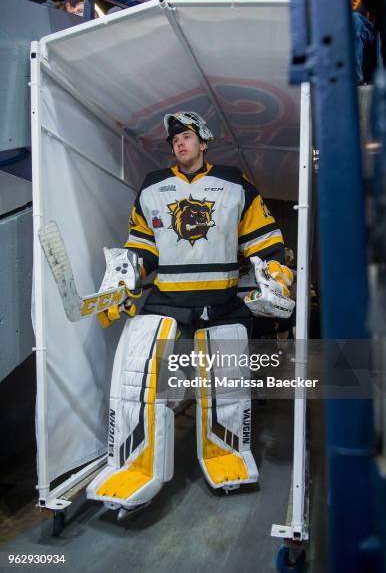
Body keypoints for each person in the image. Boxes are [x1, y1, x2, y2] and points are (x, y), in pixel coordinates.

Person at [86, 112, 294, 516]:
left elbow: (264, 242)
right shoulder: (152, 187)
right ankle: (133, 465)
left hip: (222, 301)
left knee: (227, 387)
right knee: (137, 376)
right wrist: (127, 273)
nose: (179, 144)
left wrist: (275, 274)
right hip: (167, 299)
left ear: (203, 141)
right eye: (174, 141)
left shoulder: (235, 184)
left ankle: (226, 457)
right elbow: (142, 246)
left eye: (186, 137)